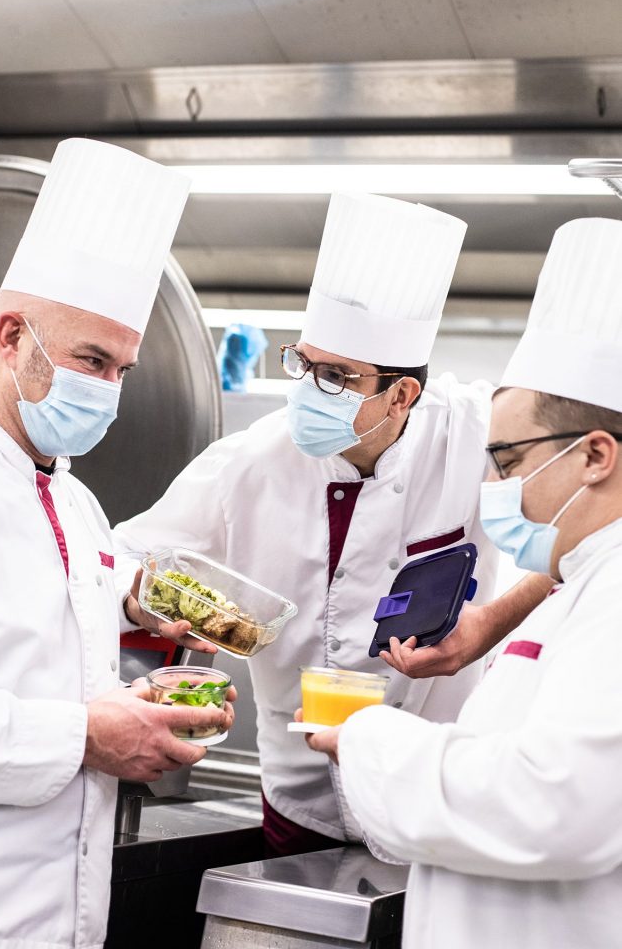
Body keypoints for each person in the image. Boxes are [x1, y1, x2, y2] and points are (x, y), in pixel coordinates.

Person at [114, 191, 551, 855]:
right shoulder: (250, 462)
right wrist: (144, 605)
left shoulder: (477, 433)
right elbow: (119, 558)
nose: (307, 391)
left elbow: (587, 540)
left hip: (430, 786)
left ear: (402, 394)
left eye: (337, 377)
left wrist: (489, 622)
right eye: (304, 365)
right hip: (298, 798)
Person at [0, 138, 233, 949]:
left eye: (122, 371)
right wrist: (88, 735)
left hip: (61, 916)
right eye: (89, 360)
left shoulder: (72, 498)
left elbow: (73, 586)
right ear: (10, 336)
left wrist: (142, 596)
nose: (105, 392)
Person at [307, 216, 622, 948]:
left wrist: (369, 737)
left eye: (508, 461)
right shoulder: (578, 582)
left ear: (595, 456)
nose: (494, 487)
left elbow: (552, 806)